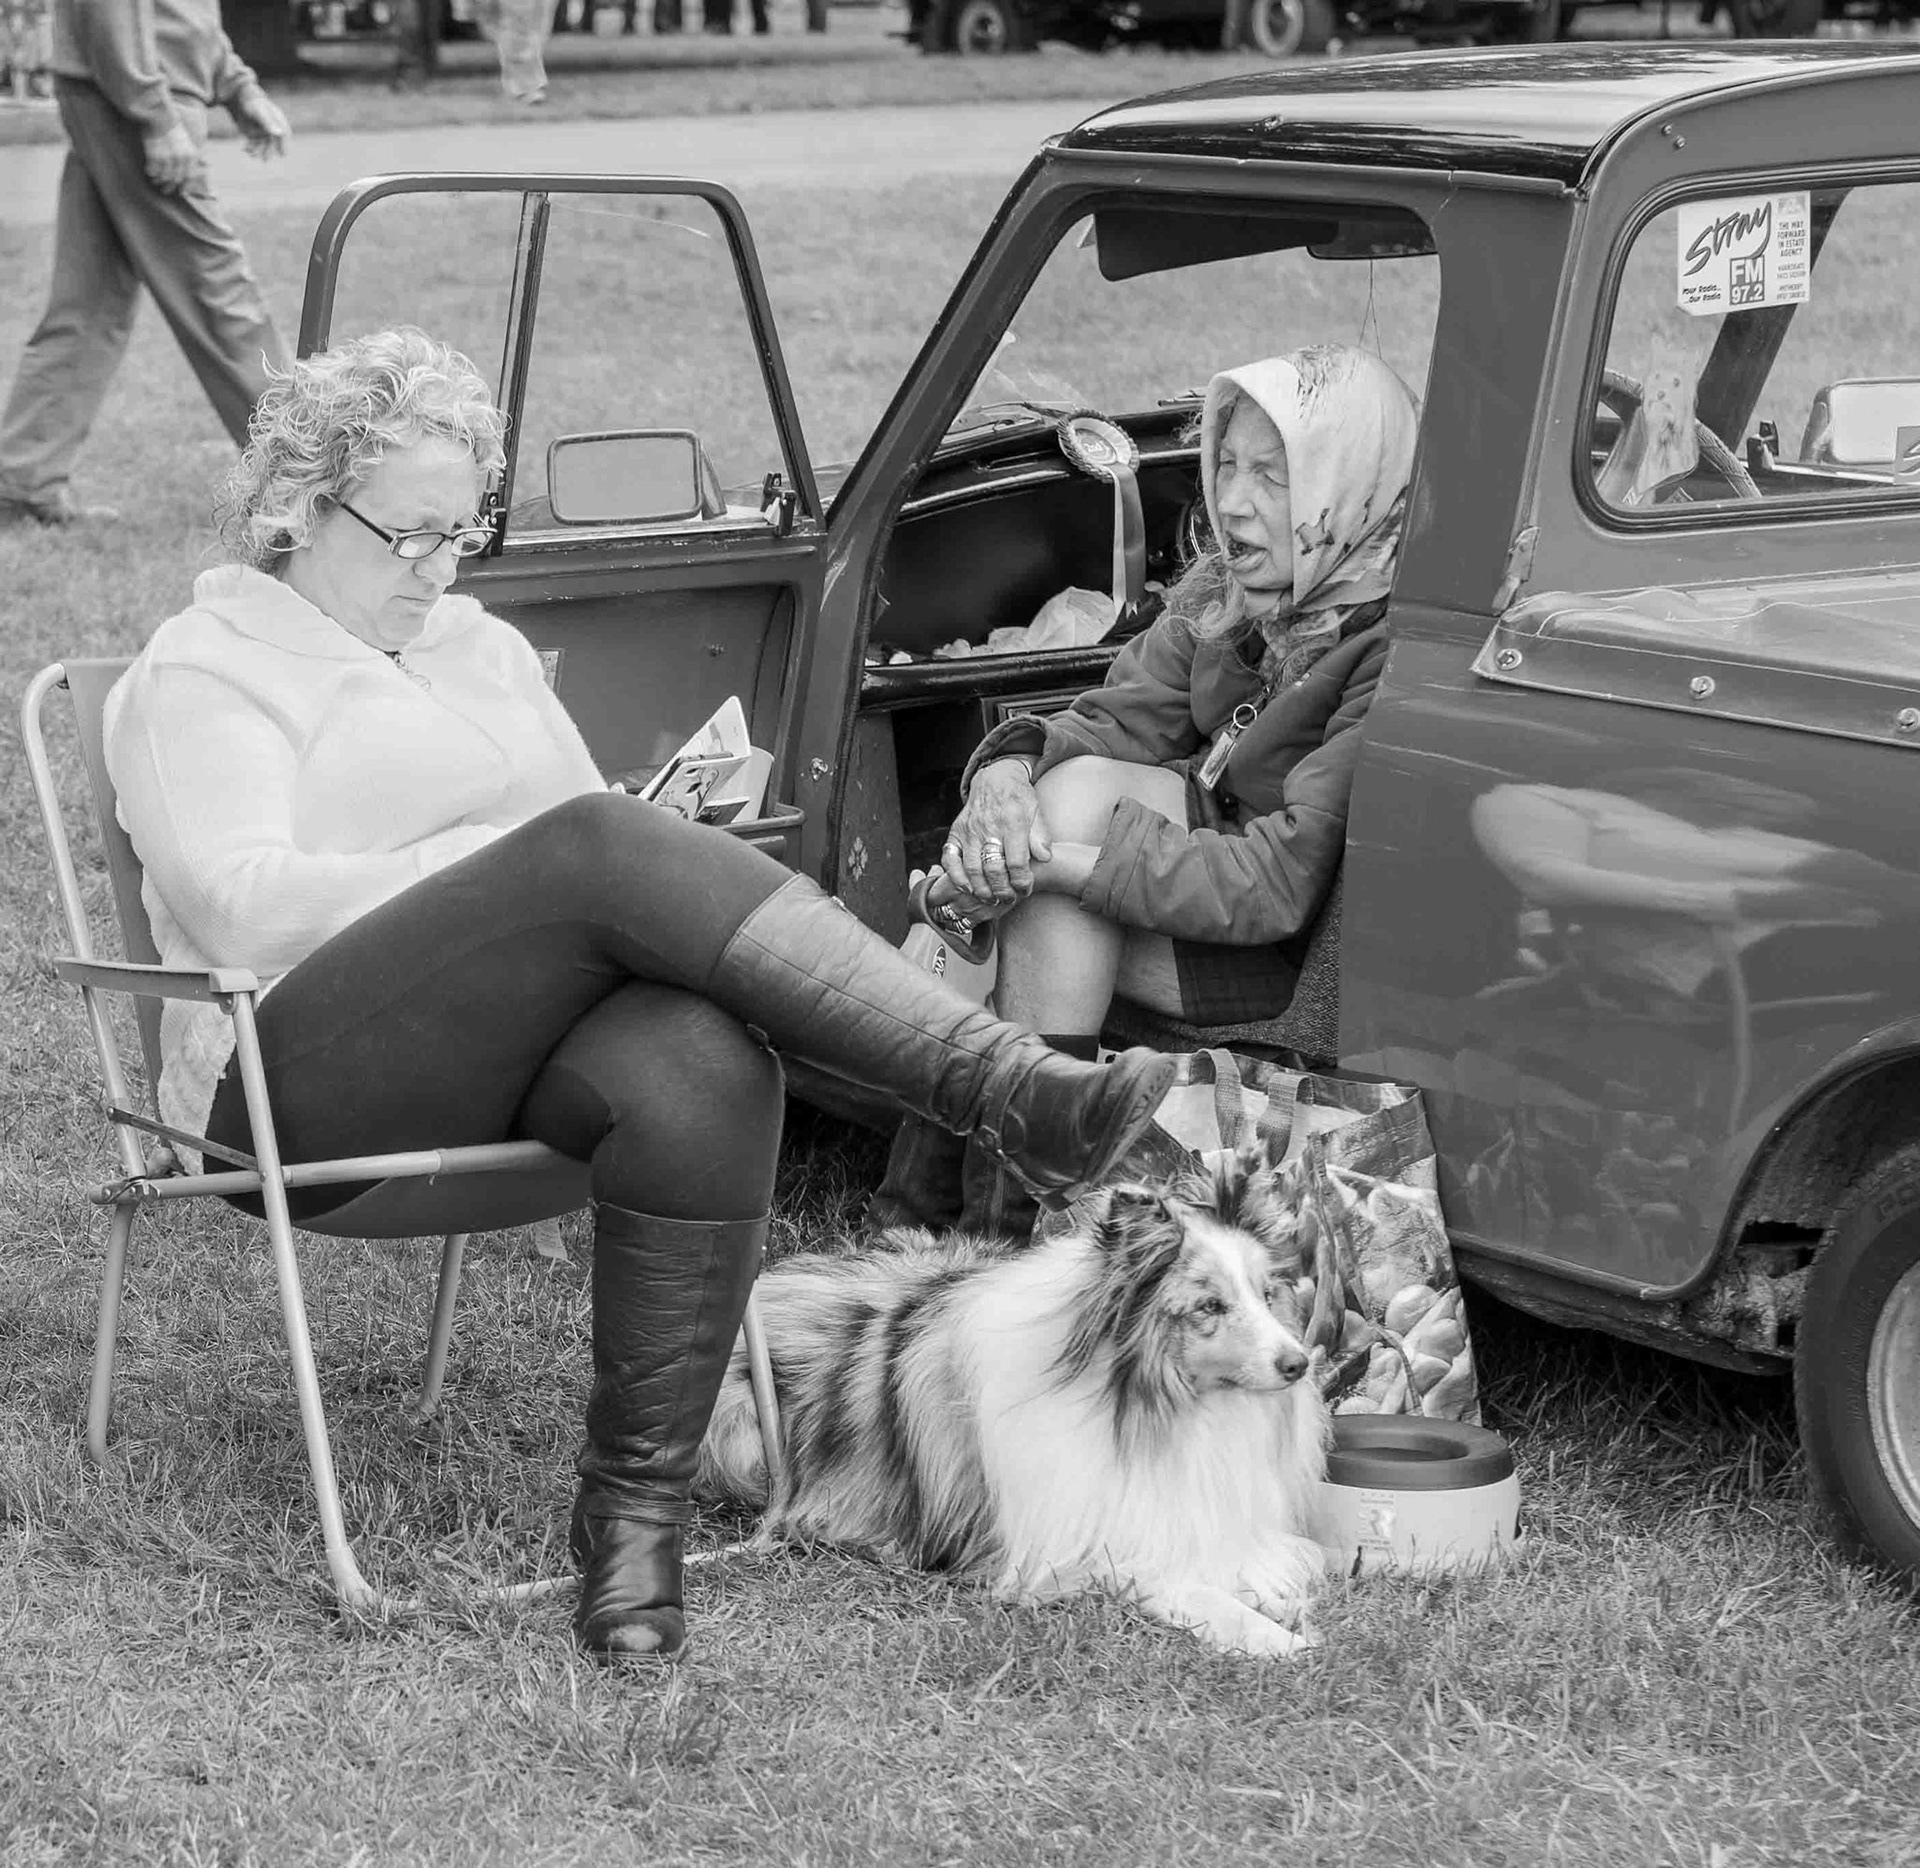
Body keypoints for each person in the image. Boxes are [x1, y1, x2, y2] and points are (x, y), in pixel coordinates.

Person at [102, 326, 1176, 1665]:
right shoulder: (203, 672)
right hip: (289, 1077)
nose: (439, 570)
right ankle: (1000, 1084)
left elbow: (577, 855)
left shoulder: (473, 646)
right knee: (593, 844)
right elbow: (240, 902)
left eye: (462, 534)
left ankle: (631, 1536)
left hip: (502, 1048)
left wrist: (570, 859)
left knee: (697, 1054)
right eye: (408, 536)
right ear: (298, 507)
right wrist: (496, 870)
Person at [872, 345, 1418, 1239]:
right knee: (1046, 825)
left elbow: (1277, 889)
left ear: (1345, 487)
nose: (1233, 503)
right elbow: (1112, 721)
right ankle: (972, 1231)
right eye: (1227, 466)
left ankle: (962, 1229)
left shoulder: (1384, 641)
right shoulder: (1229, 587)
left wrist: (1053, 869)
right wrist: (1005, 774)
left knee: (1024, 882)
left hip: (1264, 939)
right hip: (1179, 871)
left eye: (1274, 479)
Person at [0, 0, 290, 530]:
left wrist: (237, 84)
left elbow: (181, 12)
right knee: (219, 295)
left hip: (121, 93)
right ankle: (307, 473)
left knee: (89, 305)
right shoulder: (144, 103)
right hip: (136, 99)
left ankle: (22, 481)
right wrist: (154, 115)